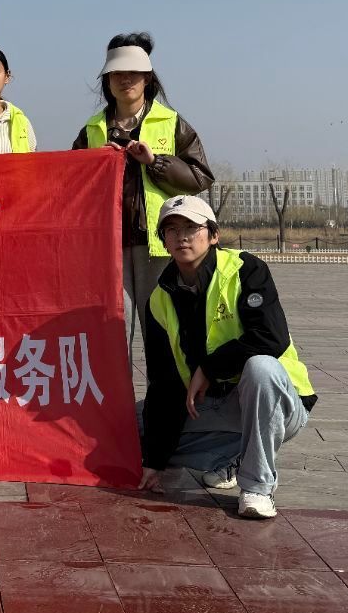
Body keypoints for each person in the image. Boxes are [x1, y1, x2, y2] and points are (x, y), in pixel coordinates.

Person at [137, 194, 316, 520]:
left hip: (276, 401)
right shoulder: (159, 299)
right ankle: (232, 457)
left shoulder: (246, 270)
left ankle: (257, 487)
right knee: (129, 433)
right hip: (215, 408)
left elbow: (271, 337)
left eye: (191, 227)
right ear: (163, 240)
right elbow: (163, 383)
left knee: (261, 368)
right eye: (172, 230)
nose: (182, 237)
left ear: (213, 235)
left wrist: (209, 367)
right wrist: (154, 462)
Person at [71, 33, 213, 348]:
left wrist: (155, 162)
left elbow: (200, 176)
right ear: (107, 80)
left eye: (133, 73)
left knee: (161, 327)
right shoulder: (92, 130)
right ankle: (116, 383)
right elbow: (71, 186)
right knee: (112, 328)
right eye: (117, 74)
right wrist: (95, 165)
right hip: (109, 244)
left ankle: (162, 384)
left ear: (147, 78)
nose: (125, 80)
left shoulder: (172, 122)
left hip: (159, 244)